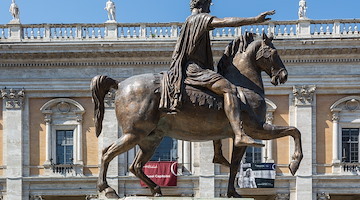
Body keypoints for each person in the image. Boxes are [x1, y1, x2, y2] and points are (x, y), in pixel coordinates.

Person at [159, 0, 275, 147]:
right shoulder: (199, 19)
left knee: (216, 102)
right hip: (195, 69)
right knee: (229, 89)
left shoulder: (188, 22)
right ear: (204, 5)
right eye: (209, 5)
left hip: (191, 68)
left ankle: (218, 153)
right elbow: (226, 21)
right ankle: (239, 135)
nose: (210, 9)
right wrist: (254, 20)